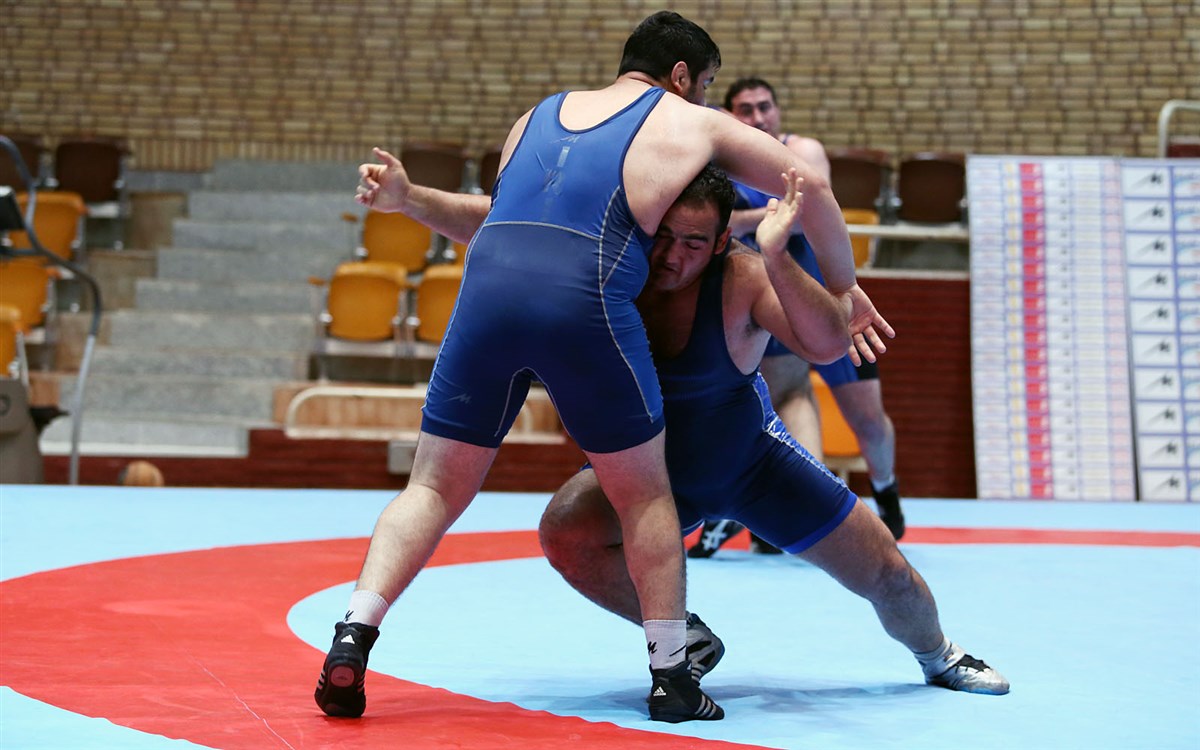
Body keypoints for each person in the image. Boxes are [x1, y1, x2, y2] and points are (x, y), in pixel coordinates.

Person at [314, 11, 891, 725]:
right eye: (707, 85)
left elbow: (501, 222)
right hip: (581, 305)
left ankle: (353, 635)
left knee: (430, 487)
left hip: (484, 301)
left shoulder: (534, 117)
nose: (708, 101)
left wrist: (409, 202)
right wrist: (844, 287)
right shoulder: (690, 122)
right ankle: (672, 676)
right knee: (645, 497)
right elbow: (813, 188)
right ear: (682, 76)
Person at [368, 161, 1006, 703]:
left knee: (888, 574)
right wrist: (411, 199)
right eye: (665, 237)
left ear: (723, 240)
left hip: (755, 466)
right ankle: (684, 635)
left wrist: (778, 253)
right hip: (646, 474)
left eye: (694, 243)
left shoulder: (744, 276)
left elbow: (828, 342)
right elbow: (508, 226)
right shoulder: (619, 256)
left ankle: (940, 656)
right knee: (565, 533)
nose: (672, 257)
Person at [689, 77, 906, 559]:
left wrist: (750, 219)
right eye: (746, 109)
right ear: (731, 115)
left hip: (829, 302)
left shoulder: (802, 150)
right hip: (774, 304)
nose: (758, 117)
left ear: (778, 110)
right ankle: (770, 515)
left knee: (867, 418)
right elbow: (719, 222)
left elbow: (810, 209)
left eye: (764, 107)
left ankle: (886, 491)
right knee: (781, 400)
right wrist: (769, 215)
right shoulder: (724, 162)